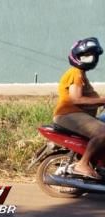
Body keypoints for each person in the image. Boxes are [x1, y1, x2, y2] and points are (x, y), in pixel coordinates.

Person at [53, 37, 105, 180]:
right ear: (77, 56)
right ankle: (82, 164)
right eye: (86, 56)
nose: (91, 59)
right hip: (69, 114)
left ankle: (98, 165)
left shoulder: (80, 74)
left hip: (77, 115)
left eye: (93, 56)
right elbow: (76, 99)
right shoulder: (75, 73)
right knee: (103, 132)